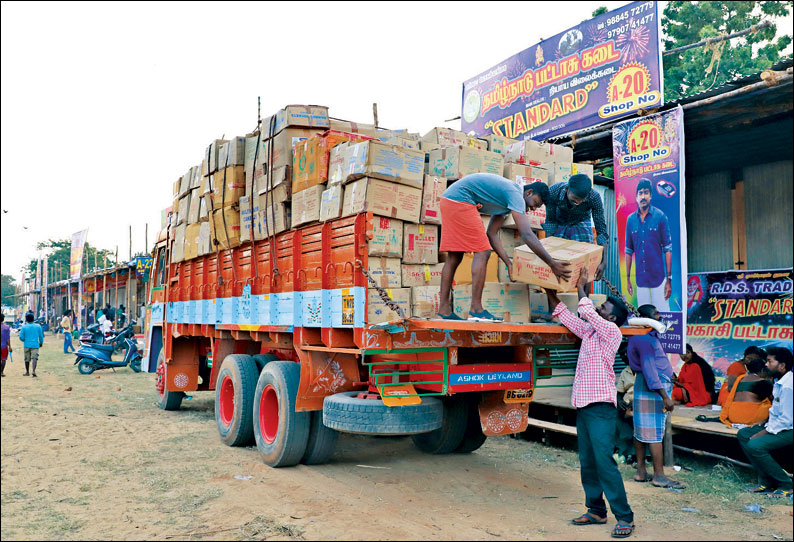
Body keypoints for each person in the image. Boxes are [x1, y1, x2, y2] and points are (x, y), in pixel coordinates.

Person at [546, 269, 635, 538]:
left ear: (612, 317)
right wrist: (546, 288)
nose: (599, 305)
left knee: (604, 462)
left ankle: (625, 518)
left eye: (604, 306)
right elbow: (565, 314)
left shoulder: (611, 332)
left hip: (600, 408)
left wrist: (582, 285)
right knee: (588, 462)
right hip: (585, 406)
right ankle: (596, 509)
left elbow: (586, 310)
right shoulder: (590, 333)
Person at [437, 174, 571, 321]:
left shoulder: (506, 202)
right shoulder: (515, 194)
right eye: (535, 203)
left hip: (450, 200)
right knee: (483, 251)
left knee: (455, 255)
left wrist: (508, 263)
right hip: (460, 200)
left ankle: (444, 310)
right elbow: (526, 234)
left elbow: (492, 233)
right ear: (529, 192)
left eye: (537, 208)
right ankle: (476, 310)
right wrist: (552, 263)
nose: (532, 208)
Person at [628, 304, 685, 489]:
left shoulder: (643, 336)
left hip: (644, 385)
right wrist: (664, 396)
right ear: (645, 318)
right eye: (656, 314)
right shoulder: (644, 338)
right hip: (652, 388)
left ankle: (641, 472)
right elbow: (650, 369)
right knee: (653, 433)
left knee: (641, 430)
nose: (660, 316)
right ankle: (659, 475)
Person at [739, 347, 793, 498]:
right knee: (744, 434)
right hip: (780, 426)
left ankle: (786, 484)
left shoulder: (789, 386)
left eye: (770, 361)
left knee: (755, 445)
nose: (766, 365)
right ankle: (766, 481)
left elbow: (786, 420)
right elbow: (777, 411)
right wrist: (763, 422)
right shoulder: (779, 382)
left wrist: (764, 432)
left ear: (782, 366)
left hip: (789, 429)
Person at [541, 173, 610, 280]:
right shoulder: (553, 191)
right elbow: (550, 221)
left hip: (581, 221)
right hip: (559, 221)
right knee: (555, 259)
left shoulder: (594, 197)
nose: (577, 203)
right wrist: (548, 251)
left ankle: (584, 296)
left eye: (581, 200)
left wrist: (604, 261)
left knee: (586, 262)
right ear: (567, 189)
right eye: (574, 200)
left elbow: (601, 230)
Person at [624, 179, 673, 312]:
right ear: (636, 197)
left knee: (663, 316)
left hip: (659, 279)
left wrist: (669, 280)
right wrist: (628, 279)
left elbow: (668, 249)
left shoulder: (660, 217)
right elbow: (628, 251)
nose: (643, 196)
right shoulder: (631, 220)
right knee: (644, 318)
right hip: (641, 280)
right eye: (640, 193)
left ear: (650, 195)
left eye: (646, 193)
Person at [719, 357, 773, 426]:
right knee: (771, 407)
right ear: (762, 370)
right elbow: (772, 398)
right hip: (750, 418)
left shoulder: (741, 379)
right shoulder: (763, 381)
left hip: (733, 416)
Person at [19, 312, 44, 377]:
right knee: (34, 358)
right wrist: (41, 343)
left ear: (26, 319)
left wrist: (25, 340)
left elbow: (21, 337)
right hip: (35, 344)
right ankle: (33, 371)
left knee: (27, 359)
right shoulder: (38, 326)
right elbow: (41, 336)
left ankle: (27, 372)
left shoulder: (24, 327)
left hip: (27, 344)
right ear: (33, 319)